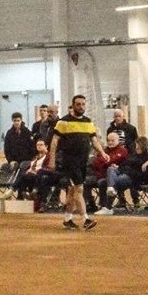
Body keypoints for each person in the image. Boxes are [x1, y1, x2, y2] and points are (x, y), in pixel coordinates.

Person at [52, 94, 97, 230]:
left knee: (72, 191)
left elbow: (94, 140)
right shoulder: (63, 122)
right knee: (79, 189)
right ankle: (86, 219)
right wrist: (52, 159)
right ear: (73, 105)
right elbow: (54, 141)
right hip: (70, 161)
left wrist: (103, 152)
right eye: (78, 104)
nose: (81, 107)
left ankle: (68, 219)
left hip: (83, 161)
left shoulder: (88, 122)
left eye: (83, 104)